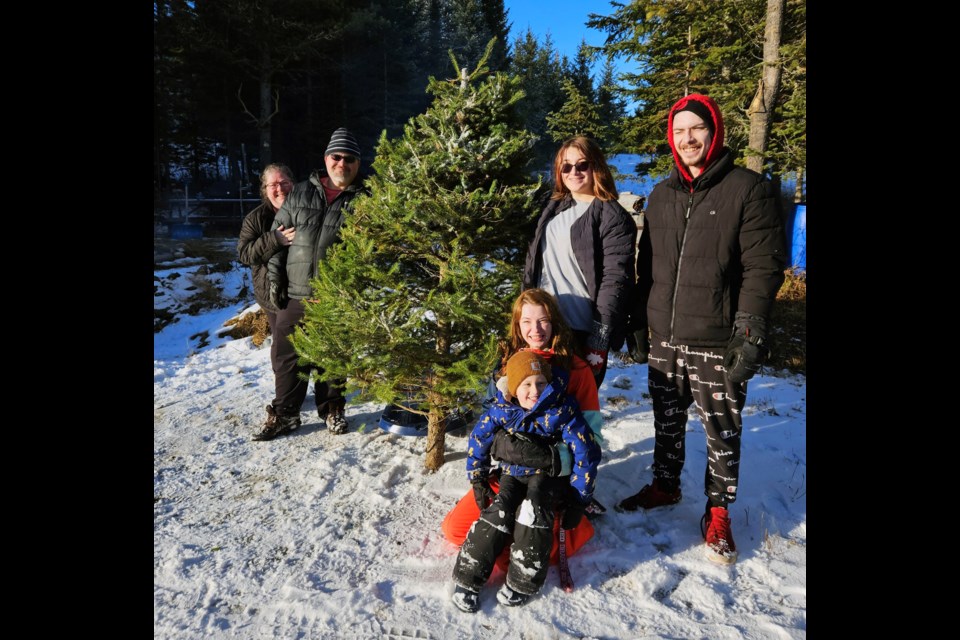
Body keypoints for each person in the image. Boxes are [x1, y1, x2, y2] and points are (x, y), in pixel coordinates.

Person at [616, 94, 786, 566]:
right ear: (671, 139)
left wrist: (749, 330)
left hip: (716, 336)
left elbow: (762, 268)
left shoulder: (748, 189)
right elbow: (645, 268)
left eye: (697, 129)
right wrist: (636, 317)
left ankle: (717, 509)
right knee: (666, 421)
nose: (687, 138)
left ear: (714, 133)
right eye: (679, 131)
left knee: (721, 429)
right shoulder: (661, 195)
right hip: (664, 334)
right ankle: (665, 484)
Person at [441, 288, 602, 551]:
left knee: (535, 548)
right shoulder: (508, 364)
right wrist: (488, 464)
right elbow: (489, 421)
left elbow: (593, 439)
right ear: (517, 325)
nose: (535, 329)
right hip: (510, 474)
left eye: (543, 320)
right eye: (526, 321)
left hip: (551, 479)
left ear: (554, 323)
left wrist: (551, 458)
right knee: (455, 531)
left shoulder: (577, 370)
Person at [450, 351, 601, 613]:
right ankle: (468, 578)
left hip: (548, 477)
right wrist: (478, 476)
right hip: (512, 474)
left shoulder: (561, 410)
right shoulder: (502, 410)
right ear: (513, 387)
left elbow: (586, 451)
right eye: (526, 384)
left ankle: (523, 581)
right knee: (498, 512)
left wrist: (580, 498)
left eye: (541, 383)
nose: (534, 391)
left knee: (534, 511)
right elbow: (478, 439)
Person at [258, 127, 366, 440]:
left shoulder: (363, 201)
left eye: (349, 158)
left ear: (357, 164)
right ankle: (286, 414)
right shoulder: (301, 193)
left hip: (336, 298)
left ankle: (332, 410)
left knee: (332, 358)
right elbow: (279, 240)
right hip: (296, 295)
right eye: (336, 156)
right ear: (326, 159)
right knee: (287, 358)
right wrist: (276, 279)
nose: (341, 163)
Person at [522, 136, 637, 388]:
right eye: (566, 166)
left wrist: (599, 337)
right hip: (542, 326)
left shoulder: (612, 216)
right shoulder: (552, 207)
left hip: (580, 331)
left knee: (576, 411)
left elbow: (615, 281)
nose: (573, 172)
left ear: (596, 167)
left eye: (582, 165)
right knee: (538, 405)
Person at [238, 164, 297, 440]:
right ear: (265, 189)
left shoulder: (303, 208)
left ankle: (302, 396)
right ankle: (285, 397)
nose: (279, 188)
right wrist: (275, 239)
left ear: (293, 184)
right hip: (272, 296)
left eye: (284, 182)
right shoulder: (256, 218)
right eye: (273, 184)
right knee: (282, 350)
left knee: (307, 347)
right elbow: (245, 253)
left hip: (303, 291)